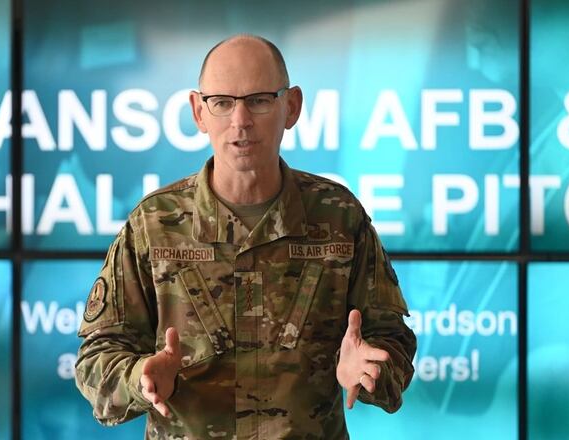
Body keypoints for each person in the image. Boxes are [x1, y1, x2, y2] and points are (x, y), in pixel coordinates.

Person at [75, 34, 417, 439]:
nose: (240, 121)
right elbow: (97, 358)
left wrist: (369, 368)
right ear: (199, 112)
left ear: (291, 107)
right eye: (222, 102)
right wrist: (139, 378)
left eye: (258, 100)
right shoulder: (154, 224)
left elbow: (392, 340)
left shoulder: (338, 216)